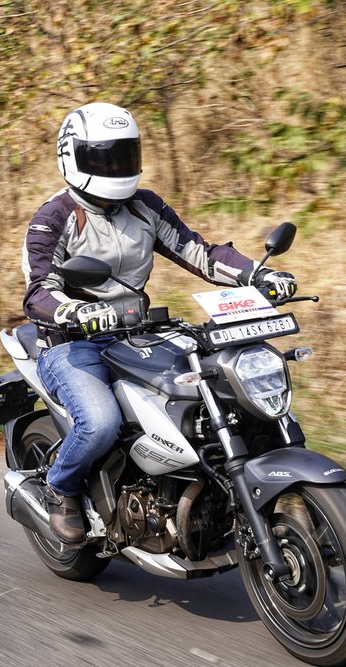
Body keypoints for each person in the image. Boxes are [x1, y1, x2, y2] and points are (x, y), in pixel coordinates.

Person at [22, 101, 297, 545]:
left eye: (123, 155)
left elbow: (198, 252)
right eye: (103, 157)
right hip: (72, 343)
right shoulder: (52, 219)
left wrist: (257, 275)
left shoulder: (144, 205)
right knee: (100, 421)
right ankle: (61, 487)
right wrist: (74, 311)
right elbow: (39, 290)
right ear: (72, 157)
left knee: (214, 393)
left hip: (136, 331)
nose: (115, 167)